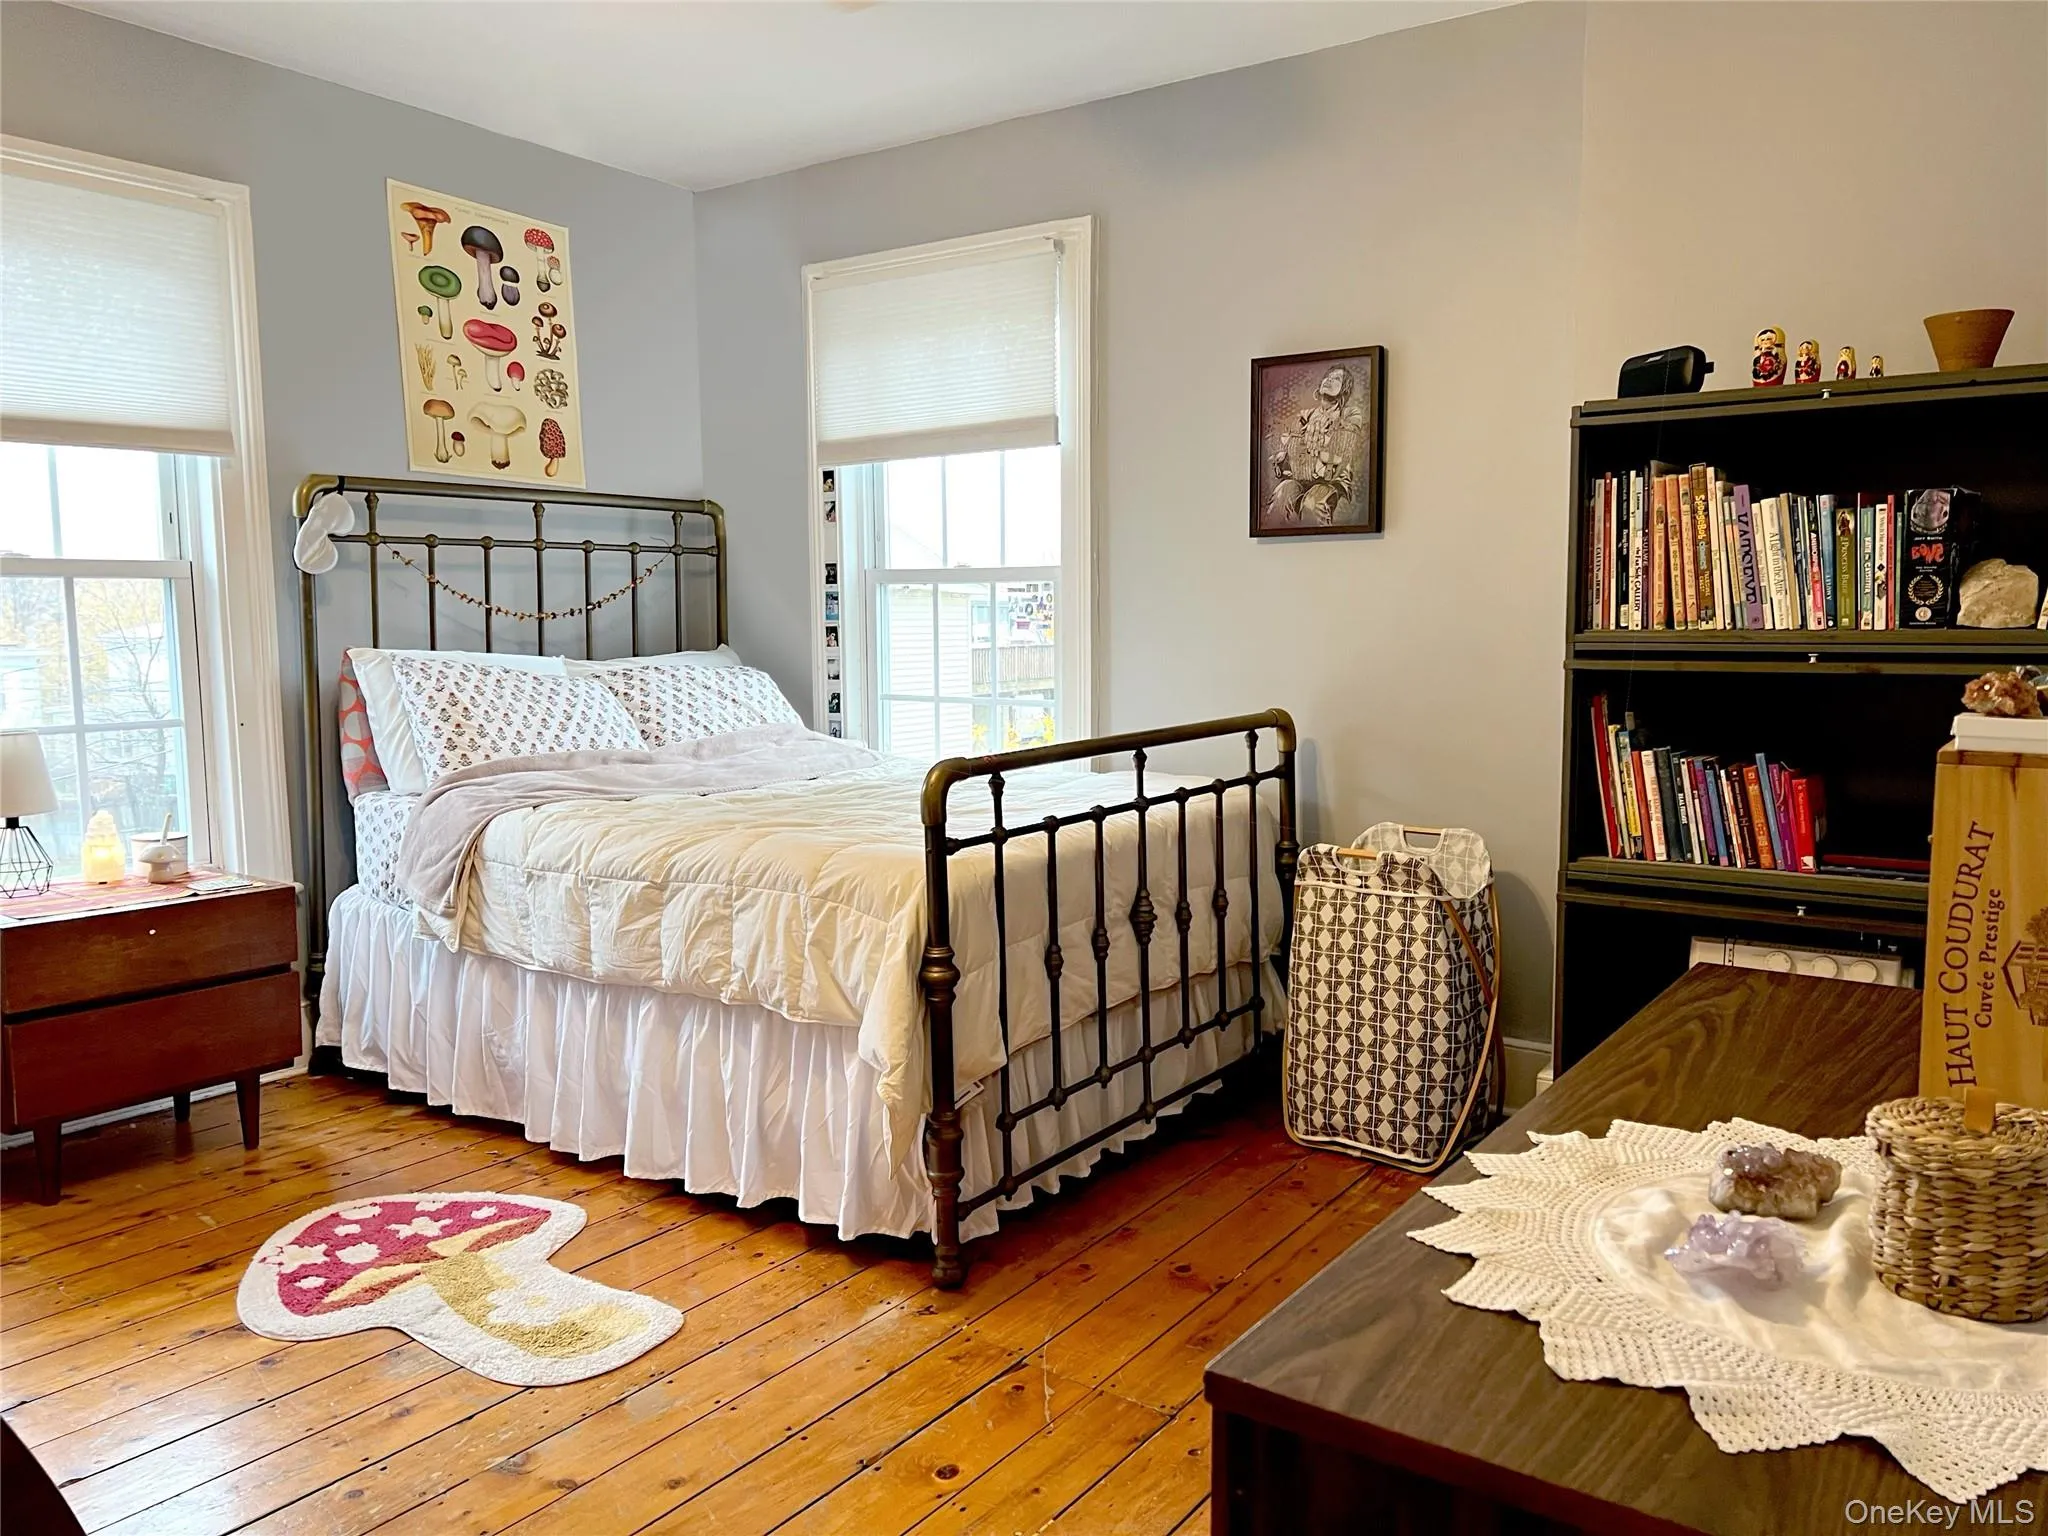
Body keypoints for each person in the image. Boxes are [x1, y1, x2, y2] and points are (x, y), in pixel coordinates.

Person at [1267, 364, 1367, 526]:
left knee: (1313, 504)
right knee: (1281, 495)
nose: (1329, 380)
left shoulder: (1350, 414)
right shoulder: (1305, 415)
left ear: (1344, 390)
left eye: (1336, 379)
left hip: (1331, 479)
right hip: (1300, 475)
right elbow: (1290, 445)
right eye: (1327, 377)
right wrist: (1282, 455)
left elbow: (1344, 444)